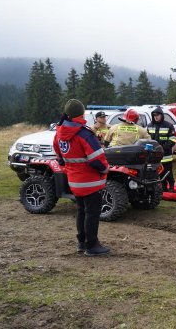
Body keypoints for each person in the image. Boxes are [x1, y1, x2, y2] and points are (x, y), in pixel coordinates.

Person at [53, 99, 110, 256]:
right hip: (91, 182)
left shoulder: (59, 133)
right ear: (82, 113)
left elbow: (59, 157)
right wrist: (106, 169)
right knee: (92, 213)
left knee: (81, 211)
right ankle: (92, 245)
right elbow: (97, 159)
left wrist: (71, 169)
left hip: (74, 181)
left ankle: (81, 243)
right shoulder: (84, 134)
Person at [147, 106, 176, 192]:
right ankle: (163, 188)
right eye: (154, 115)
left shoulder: (169, 126)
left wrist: (162, 148)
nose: (156, 117)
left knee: (168, 172)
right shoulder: (149, 126)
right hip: (154, 155)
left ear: (161, 115)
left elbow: (173, 140)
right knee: (158, 173)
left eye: (157, 115)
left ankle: (171, 186)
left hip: (166, 155)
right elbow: (147, 139)